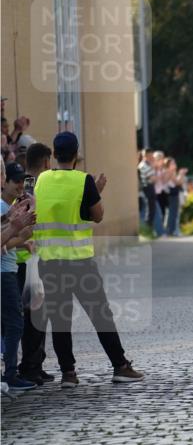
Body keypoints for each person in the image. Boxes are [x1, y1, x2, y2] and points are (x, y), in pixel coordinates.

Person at [33, 131, 144, 387]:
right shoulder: (84, 181)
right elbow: (97, 215)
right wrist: (97, 191)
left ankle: (68, 374)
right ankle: (120, 366)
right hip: (79, 263)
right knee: (100, 314)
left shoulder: (41, 181)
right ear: (76, 154)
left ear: (54, 154)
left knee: (61, 319)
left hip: (49, 262)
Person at [16, 142, 54, 385]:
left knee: (37, 315)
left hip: (29, 257)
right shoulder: (32, 186)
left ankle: (36, 362)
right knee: (34, 316)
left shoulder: (27, 183)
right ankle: (30, 366)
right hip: (28, 258)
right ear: (47, 162)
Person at [1, 161, 37, 393]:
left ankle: (10, 372)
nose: (19, 185)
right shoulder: (3, 207)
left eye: (22, 181)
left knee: (10, 324)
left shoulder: (7, 207)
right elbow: (3, 244)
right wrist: (18, 232)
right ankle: (11, 373)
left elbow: (6, 243)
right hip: (4, 274)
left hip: (8, 271)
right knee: (15, 323)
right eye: (14, 180)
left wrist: (21, 238)